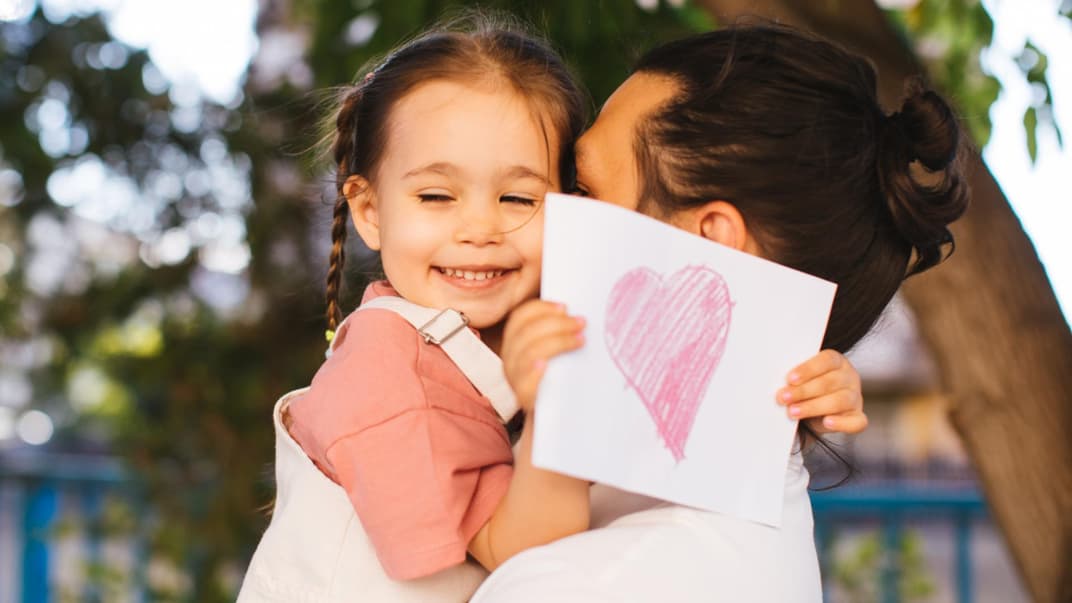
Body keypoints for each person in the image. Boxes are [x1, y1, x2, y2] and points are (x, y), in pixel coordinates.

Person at [237, 15, 869, 603]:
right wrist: (552, 414)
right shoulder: (386, 374)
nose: (479, 228)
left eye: (519, 198)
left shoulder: (521, 318)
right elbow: (515, 550)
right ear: (369, 211)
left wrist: (799, 377)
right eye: (435, 195)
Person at [473, 22, 968, 603]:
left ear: (708, 243)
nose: (540, 225)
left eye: (583, 189)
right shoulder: (736, 520)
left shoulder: (582, 583)